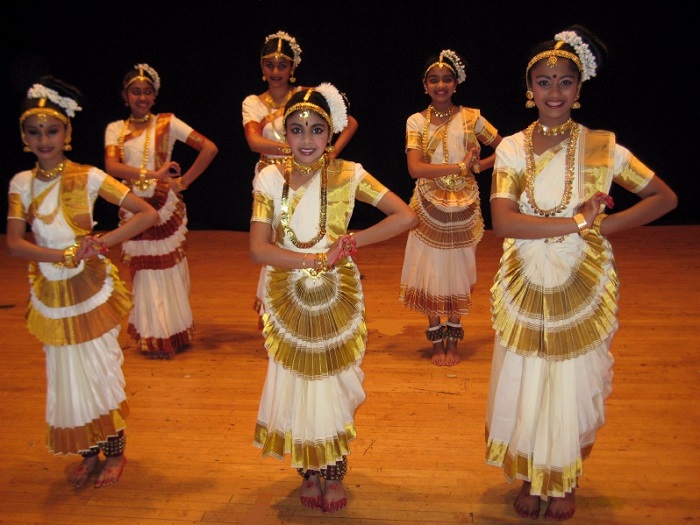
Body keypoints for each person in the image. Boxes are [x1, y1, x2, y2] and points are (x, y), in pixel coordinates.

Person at [484, 25, 677, 521]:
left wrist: (604, 229)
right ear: (530, 90)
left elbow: (664, 198)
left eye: (565, 81)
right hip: (525, 278)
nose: (554, 91)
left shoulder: (603, 147)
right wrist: (575, 221)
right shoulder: (510, 148)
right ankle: (531, 473)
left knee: (573, 378)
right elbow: (503, 220)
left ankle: (565, 475)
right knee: (526, 374)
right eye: (544, 81)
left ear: (580, 87)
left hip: (582, 278)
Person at [249, 83, 417, 513]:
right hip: (286, 292)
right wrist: (313, 260)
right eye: (297, 129)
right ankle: (308, 469)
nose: (307, 139)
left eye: (317, 129)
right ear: (283, 134)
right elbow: (259, 248)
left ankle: (335, 468)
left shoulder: (350, 174)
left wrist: (353, 240)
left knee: (335, 382)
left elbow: (405, 215)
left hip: (336, 295)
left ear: (332, 133)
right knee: (297, 381)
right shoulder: (270, 177)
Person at [6, 76, 158, 489]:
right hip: (51, 291)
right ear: (24, 136)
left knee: (98, 366)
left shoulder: (89, 176)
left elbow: (146, 213)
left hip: (90, 289)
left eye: (52, 130)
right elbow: (16, 244)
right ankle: (87, 450)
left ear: (67, 133)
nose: (43, 139)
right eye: (34, 132)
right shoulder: (20, 184)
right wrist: (61, 255)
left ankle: (114, 450)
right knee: (64, 371)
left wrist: (102, 242)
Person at [104, 63, 219, 359]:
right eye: (135, 92)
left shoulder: (168, 123)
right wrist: (155, 174)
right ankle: (152, 333)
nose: (141, 98)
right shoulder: (116, 129)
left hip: (164, 204)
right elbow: (112, 167)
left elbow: (209, 148)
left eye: (147, 92)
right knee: (144, 272)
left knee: (170, 270)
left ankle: (174, 331)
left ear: (154, 96)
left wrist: (183, 182)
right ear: (125, 96)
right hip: (135, 205)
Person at [242, 30, 359, 318]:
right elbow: (254, 142)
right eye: (269, 64)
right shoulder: (253, 103)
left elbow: (350, 122)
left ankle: (312, 298)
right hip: (272, 178)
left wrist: (328, 151)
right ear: (261, 67)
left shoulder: (305, 95)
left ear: (293, 68)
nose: (275, 71)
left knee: (303, 234)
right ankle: (276, 307)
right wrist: (295, 146)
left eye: (282, 65)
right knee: (271, 244)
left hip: (309, 173)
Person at [399, 49, 502, 366]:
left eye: (447, 79)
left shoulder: (473, 118)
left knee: (457, 270)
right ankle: (435, 340)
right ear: (425, 85)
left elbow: (506, 148)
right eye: (434, 80)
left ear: (456, 84)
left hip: (464, 207)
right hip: (427, 207)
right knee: (428, 269)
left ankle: (454, 340)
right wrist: (460, 167)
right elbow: (415, 169)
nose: (440, 85)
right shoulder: (416, 121)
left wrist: (479, 167)